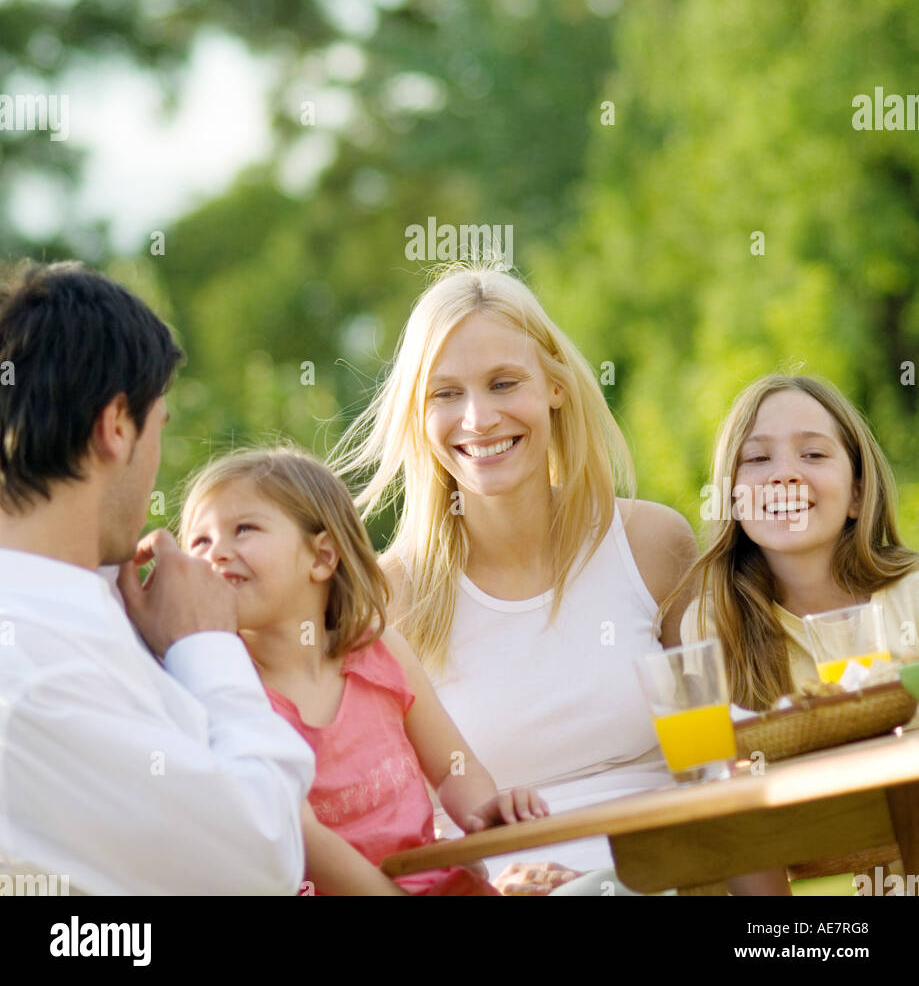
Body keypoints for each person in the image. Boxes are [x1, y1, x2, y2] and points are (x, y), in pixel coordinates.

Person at [329, 262, 700, 896]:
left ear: (555, 386)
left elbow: (715, 763)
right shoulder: (387, 600)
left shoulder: (651, 544)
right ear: (419, 414)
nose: (478, 418)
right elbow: (387, 829)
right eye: (446, 394)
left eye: (504, 383)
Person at [0, 260, 315, 895]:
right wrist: (209, 647)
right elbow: (260, 856)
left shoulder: (82, 610)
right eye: (159, 429)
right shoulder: (32, 678)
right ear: (117, 426)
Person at [180, 445, 550, 896]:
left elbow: (455, 767)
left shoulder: (381, 652)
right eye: (199, 541)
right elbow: (302, 841)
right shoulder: (226, 693)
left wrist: (484, 812)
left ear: (321, 557)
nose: (216, 553)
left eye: (243, 529)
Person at [673, 372, 919, 709]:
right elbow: (719, 754)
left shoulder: (912, 595)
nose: (784, 473)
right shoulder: (713, 625)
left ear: (857, 494)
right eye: (758, 458)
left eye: (814, 455)